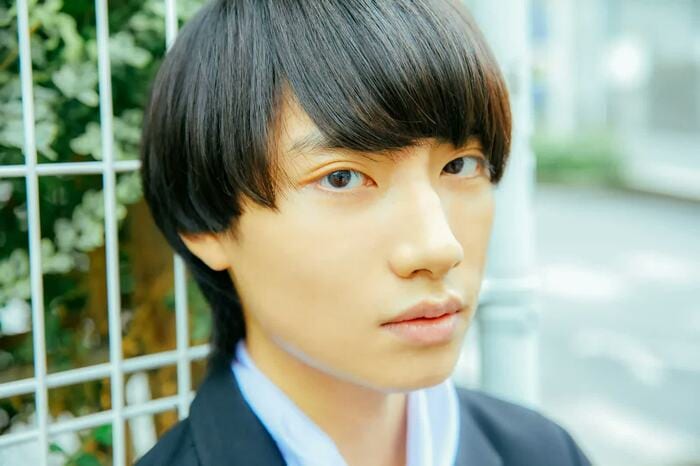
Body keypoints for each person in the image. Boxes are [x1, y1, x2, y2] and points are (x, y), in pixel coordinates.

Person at [136, 0, 592, 465]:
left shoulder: (544, 452)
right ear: (205, 222)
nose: (439, 247)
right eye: (342, 178)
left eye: (460, 165)